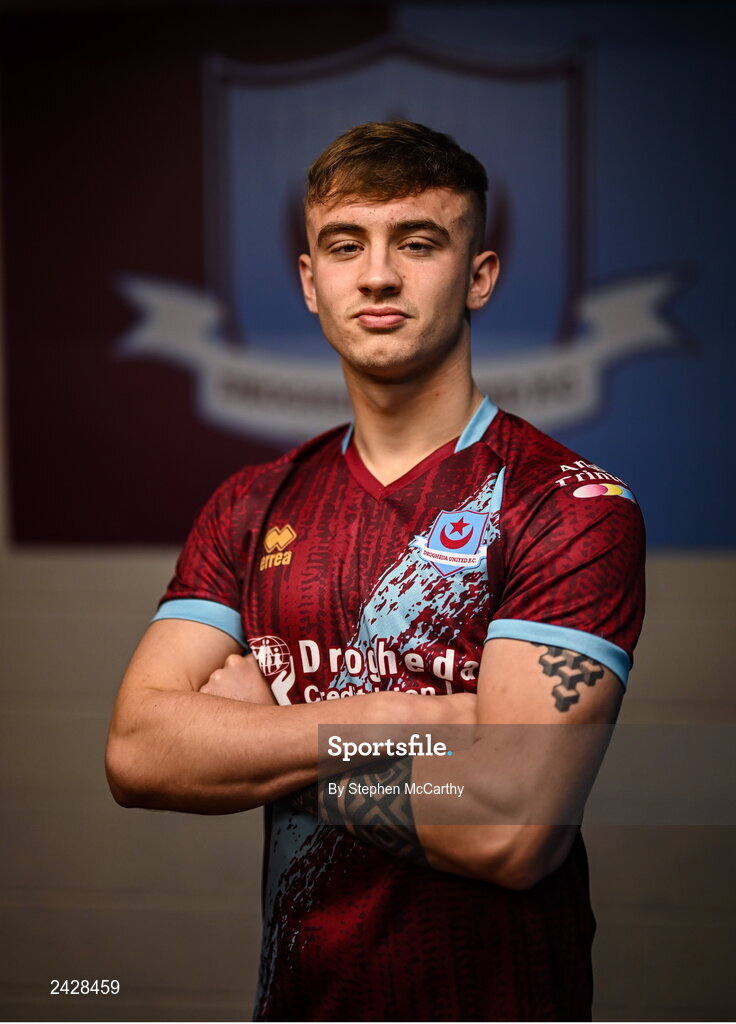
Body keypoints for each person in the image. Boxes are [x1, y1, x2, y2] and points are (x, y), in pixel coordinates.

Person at [106, 121, 645, 1022]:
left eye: (419, 242)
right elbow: (138, 754)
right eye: (345, 244)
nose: (380, 274)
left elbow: (513, 824)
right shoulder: (252, 503)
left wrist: (265, 735)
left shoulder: (567, 504)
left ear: (479, 275)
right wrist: (396, 718)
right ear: (311, 283)